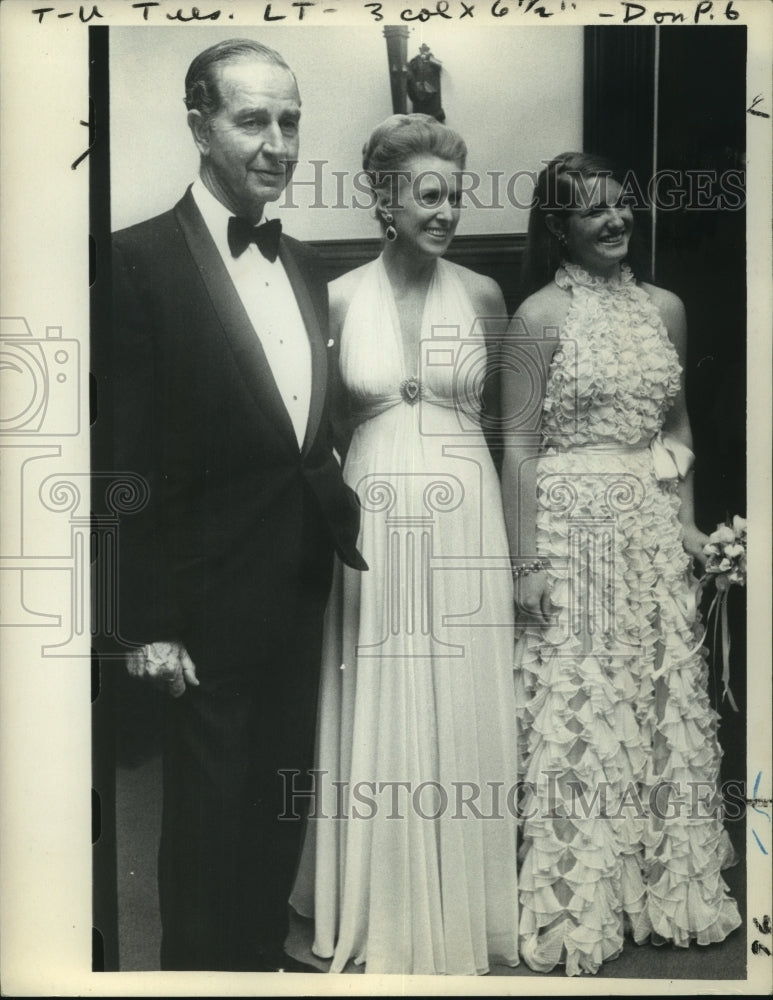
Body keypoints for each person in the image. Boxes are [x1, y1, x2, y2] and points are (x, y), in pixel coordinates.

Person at [111, 38, 365, 972]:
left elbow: (303, 433)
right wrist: (145, 625)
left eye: (290, 120)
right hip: (199, 608)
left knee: (274, 818)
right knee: (207, 837)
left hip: (298, 592)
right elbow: (121, 467)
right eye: (251, 119)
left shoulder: (303, 264)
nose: (276, 142)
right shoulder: (134, 261)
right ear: (199, 127)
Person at [289, 114, 520, 975]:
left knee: (462, 686)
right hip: (376, 510)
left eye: (455, 195)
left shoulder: (487, 298)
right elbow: (334, 423)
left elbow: (500, 425)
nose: (448, 210)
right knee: (380, 681)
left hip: (467, 510)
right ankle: (377, 903)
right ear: (385, 200)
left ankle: (471, 903)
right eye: (429, 195)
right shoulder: (338, 296)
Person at [501, 151, 742, 976]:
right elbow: (520, 447)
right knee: (584, 712)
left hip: (646, 525)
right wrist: (526, 561)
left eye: (620, 206)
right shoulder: (535, 316)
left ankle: (663, 894)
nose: (613, 221)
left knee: (660, 699)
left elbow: (677, 434)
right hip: (572, 528)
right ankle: (580, 909)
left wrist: (688, 529)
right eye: (591, 211)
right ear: (557, 226)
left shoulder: (665, 309)